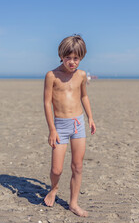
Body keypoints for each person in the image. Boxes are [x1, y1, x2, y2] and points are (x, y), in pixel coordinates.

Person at [43, 34, 96, 217]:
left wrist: (90, 117)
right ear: (61, 55)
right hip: (60, 126)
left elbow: (84, 97)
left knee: (77, 166)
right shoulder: (52, 76)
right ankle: (54, 187)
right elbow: (47, 103)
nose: (72, 62)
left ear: (81, 58)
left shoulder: (81, 75)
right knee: (56, 169)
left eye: (76, 58)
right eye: (68, 58)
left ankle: (73, 203)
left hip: (78, 124)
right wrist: (52, 129)